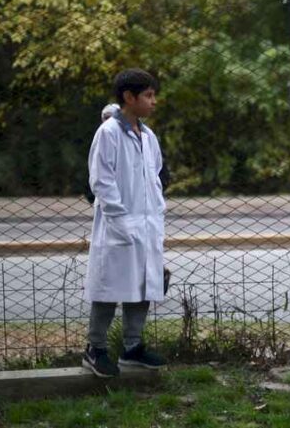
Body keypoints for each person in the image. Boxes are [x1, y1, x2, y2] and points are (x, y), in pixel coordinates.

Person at [83, 69, 168, 377]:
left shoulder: (148, 136)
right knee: (109, 287)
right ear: (128, 98)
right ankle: (96, 348)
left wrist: (156, 215)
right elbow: (102, 182)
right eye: (148, 95)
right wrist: (122, 223)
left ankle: (132, 348)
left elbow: (156, 177)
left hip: (147, 225)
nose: (153, 101)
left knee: (143, 286)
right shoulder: (108, 134)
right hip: (118, 226)